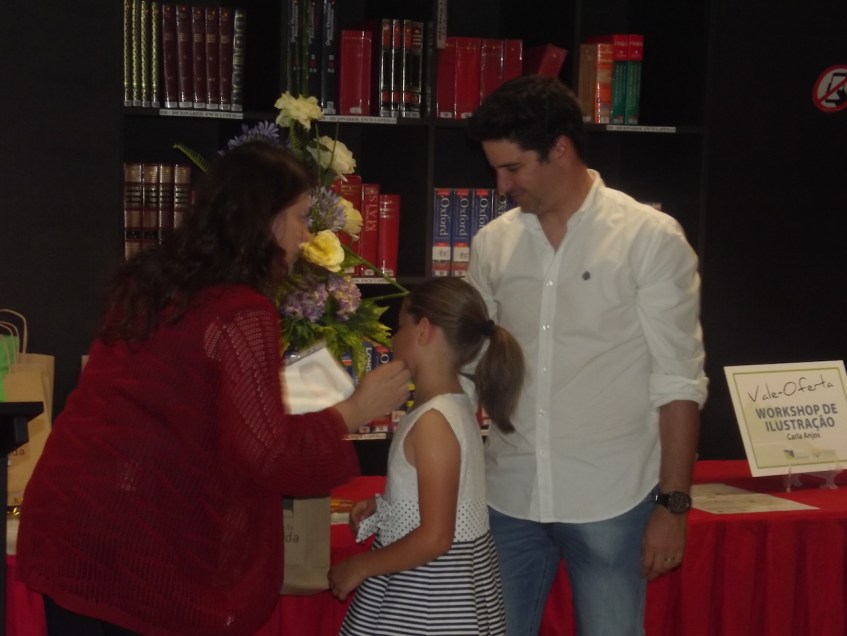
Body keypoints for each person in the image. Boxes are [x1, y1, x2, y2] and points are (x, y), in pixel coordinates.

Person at [15, 140, 411, 636]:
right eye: (300, 217)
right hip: (134, 546)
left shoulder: (154, 281)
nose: (306, 235)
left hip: (76, 523)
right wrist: (355, 409)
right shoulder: (240, 311)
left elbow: (182, 406)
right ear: (267, 220)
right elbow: (270, 455)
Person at [465, 74, 709, 635]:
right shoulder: (492, 244)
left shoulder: (649, 237)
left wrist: (673, 506)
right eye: (496, 170)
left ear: (560, 149)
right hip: (508, 495)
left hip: (612, 498)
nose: (502, 185)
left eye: (513, 168)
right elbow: (465, 368)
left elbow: (678, 379)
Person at [328, 277, 524, 635]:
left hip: (430, 596)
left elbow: (436, 537)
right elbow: (447, 500)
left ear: (422, 331)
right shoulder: (455, 406)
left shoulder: (433, 423)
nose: (393, 338)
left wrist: (361, 565)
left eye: (399, 326)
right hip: (447, 588)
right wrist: (387, 506)